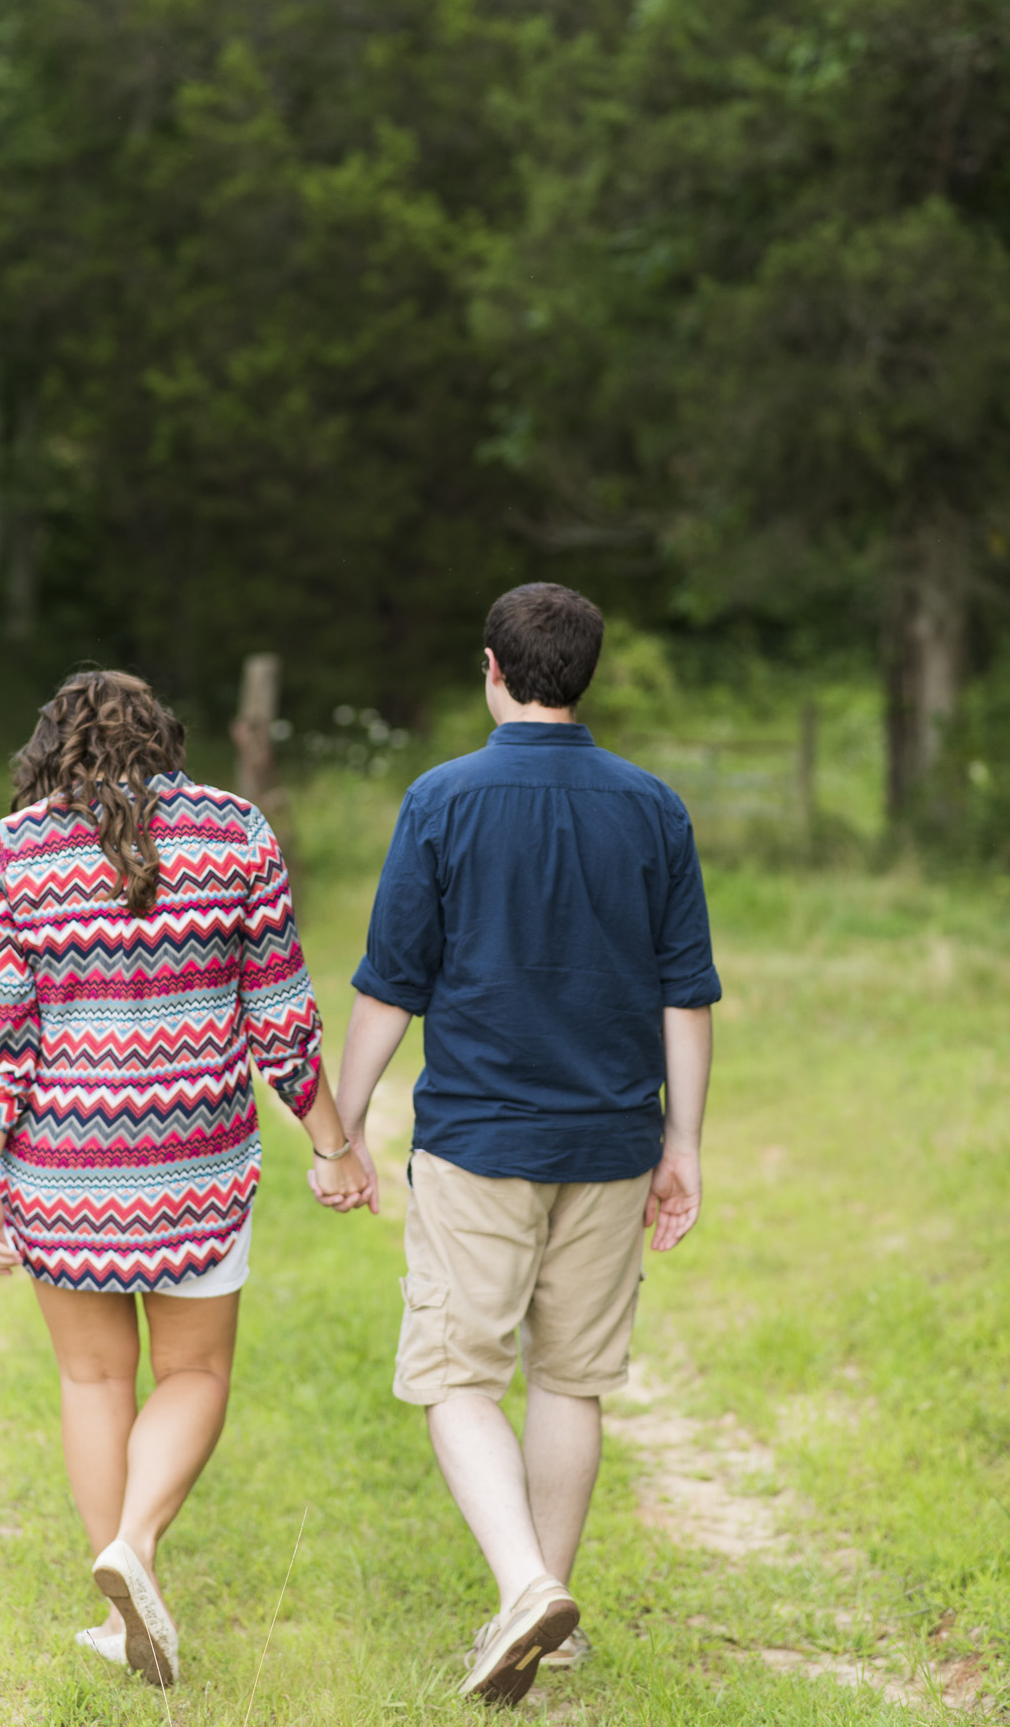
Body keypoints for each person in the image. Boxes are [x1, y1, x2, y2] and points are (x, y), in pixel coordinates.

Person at [327, 584, 720, 1707]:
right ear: (583, 671)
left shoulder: (441, 797)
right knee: (570, 1379)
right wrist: (679, 1141)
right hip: (610, 1138)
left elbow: (389, 983)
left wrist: (343, 1125)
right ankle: (547, 1613)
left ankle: (523, 1586)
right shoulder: (653, 807)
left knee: (456, 1372)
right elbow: (683, 995)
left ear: (490, 667)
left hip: (478, 1138)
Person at [0, 669, 366, 1690]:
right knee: (192, 1374)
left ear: (51, 745)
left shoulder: (14, 850)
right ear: (168, 738)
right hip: (197, 1168)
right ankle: (133, 1549)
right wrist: (332, 1144)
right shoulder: (235, 832)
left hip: (62, 1168)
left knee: (92, 1378)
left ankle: (119, 1599)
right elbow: (281, 1016)